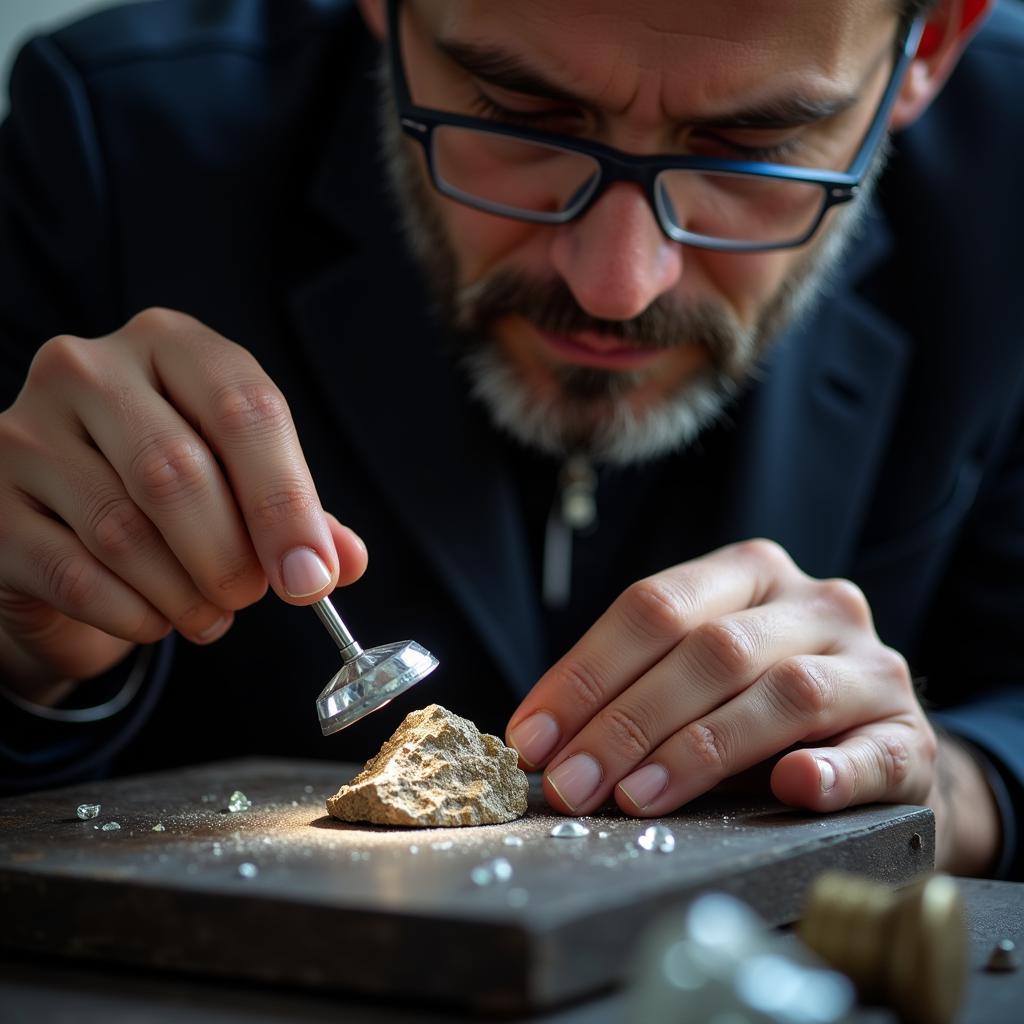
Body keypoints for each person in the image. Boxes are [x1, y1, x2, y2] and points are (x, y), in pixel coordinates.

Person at [0, 0, 1021, 880]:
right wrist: (23, 653)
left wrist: (954, 784)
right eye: (518, 115)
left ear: (926, 46)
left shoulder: (1007, 181)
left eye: (750, 145)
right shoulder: (118, 146)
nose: (615, 284)